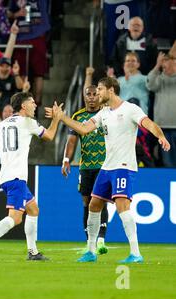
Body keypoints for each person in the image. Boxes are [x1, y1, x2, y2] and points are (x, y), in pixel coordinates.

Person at [55, 77, 170, 263]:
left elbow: (148, 123)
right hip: (107, 167)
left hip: (123, 167)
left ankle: (136, 253)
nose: (97, 93)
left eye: (100, 89)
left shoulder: (130, 109)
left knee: (122, 206)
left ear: (111, 90)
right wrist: (62, 118)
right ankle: (91, 251)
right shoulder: (104, 113)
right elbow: (83, 129)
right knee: (93, 205)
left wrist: (161, 136)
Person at [0, 92, 62, 261]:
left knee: (33, 210)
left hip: (7, 176)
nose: (35, 105)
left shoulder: (1, 125)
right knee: (15, 218)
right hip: (17, 178)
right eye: (32, 102)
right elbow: (50, 136)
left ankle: (33, 252)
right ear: (23, 106)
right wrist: (57, 118)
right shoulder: (28, 122)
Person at [62, 81, 109, 255]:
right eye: (88, 94)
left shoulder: (107, 113)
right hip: (86, 165)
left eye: (94, 94)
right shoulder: (78, 116)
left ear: (99, 95)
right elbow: (72, 140)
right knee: (86, 202)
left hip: (105, 165)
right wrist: (66, 158)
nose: (91, 97)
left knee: (100, 201)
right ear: (84, 96)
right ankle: (90, 241)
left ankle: (102, 240)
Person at [146, 52, 176, 167]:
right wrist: (157, 65)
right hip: (163, 127)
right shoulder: (159, 79)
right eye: (165, 63)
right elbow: (150, 85)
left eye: (171, 62)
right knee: (167, 162)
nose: (167, 66)